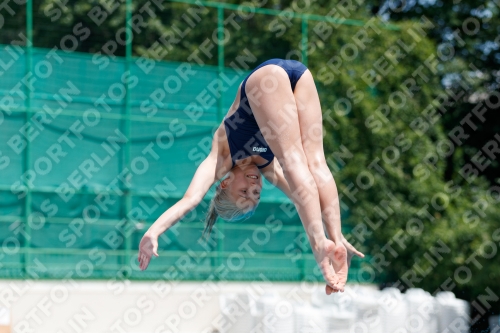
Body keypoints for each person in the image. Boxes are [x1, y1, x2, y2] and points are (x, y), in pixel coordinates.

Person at [138, 59, 364, 294]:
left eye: (243, 191)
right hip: (299, 76)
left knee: (293, 161)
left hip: (265, 81)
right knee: (315, 162)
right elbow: (306, 197)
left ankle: (318, 247)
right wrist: (335, 234)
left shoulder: (221, 158)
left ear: (225, 183)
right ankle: (335, 242)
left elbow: (190, 200)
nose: (254, 186)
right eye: (256, 194)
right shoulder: (267, 168)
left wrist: (153, 231)